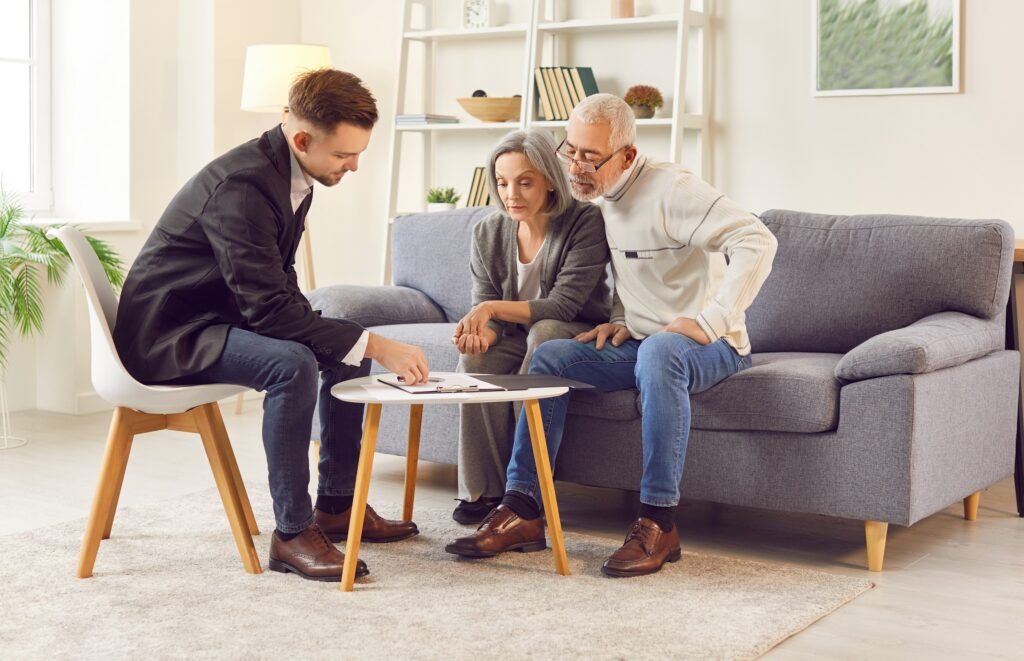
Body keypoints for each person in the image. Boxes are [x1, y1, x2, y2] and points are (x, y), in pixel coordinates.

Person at [113, 69, 430, 583]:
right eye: (345, 155)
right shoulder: (242, 187)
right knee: (294, 362)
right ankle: (291, 531)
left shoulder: (295, 171)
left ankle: (338, 504)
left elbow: (275, 283)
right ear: (302, 139)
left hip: (215, 317)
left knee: (345, 346)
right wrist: (374, 342)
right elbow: (267, 310)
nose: (354, 166)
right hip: (168, 335)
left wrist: (355, 341)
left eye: (359, 153)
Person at [446, 93, 778, 577]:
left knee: (663, 349)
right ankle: (524, 507)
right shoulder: (601, 200)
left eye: (589, 156)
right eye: (571, 150)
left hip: (713, 349)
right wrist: (622, 318)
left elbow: (756, 240)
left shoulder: (673, 189)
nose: (575, 167)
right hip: (642, 347)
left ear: (625, 155)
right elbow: (636, 269)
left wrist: (712, 321)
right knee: (553, 355)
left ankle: (658, 521)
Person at [450, 129, 610, 525]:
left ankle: (525, 491)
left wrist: (488, 309)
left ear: (549, 180)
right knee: (475, 364)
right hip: (514, 333)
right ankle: (484, 492)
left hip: (575, 328)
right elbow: (486, 311)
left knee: (542, 337)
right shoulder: (487, 231)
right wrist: (479, 336)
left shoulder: (584, 220)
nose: (512, 195)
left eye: (524, 182)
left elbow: (564, 303)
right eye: (503, 183)